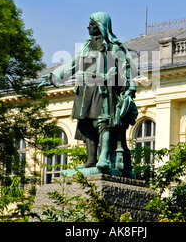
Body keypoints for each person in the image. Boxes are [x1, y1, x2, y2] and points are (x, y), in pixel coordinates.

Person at [39, 12, 138, 170]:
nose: (88, 27)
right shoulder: (86, 46)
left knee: (101, 122)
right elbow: (72, 64)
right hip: (85, 90)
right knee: (85, 124)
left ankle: (104, 158)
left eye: (92, 24)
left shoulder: (114, 47)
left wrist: (128, 88)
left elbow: (125, 70)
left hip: (104, 90)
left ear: (100, 26)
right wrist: (54, 76)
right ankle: (91, 160)